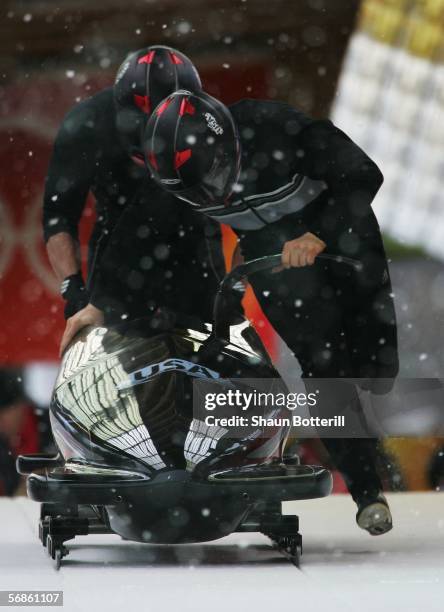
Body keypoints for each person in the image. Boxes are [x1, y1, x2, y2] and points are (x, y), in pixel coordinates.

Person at [139, 90, 399, 535]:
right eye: (196, 190)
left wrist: (318, 234)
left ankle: (366, 423)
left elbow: (362, 175)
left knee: (377, 368)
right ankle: (367, 491)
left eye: (214, 175)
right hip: (272, 257)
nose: (212, 193)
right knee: (321, 366)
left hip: (341, 232)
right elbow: (197, 240)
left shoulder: (277, 127)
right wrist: (220, 290)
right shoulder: (185, 186)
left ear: (227, 145)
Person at [43, 45, 217, 320]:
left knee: (208, 319)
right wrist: (72, 285)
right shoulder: (87, 125)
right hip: (118, 238)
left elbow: (238, 196)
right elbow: (59, 214)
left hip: (191, 232)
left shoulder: (210, 124)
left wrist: (235, 285)